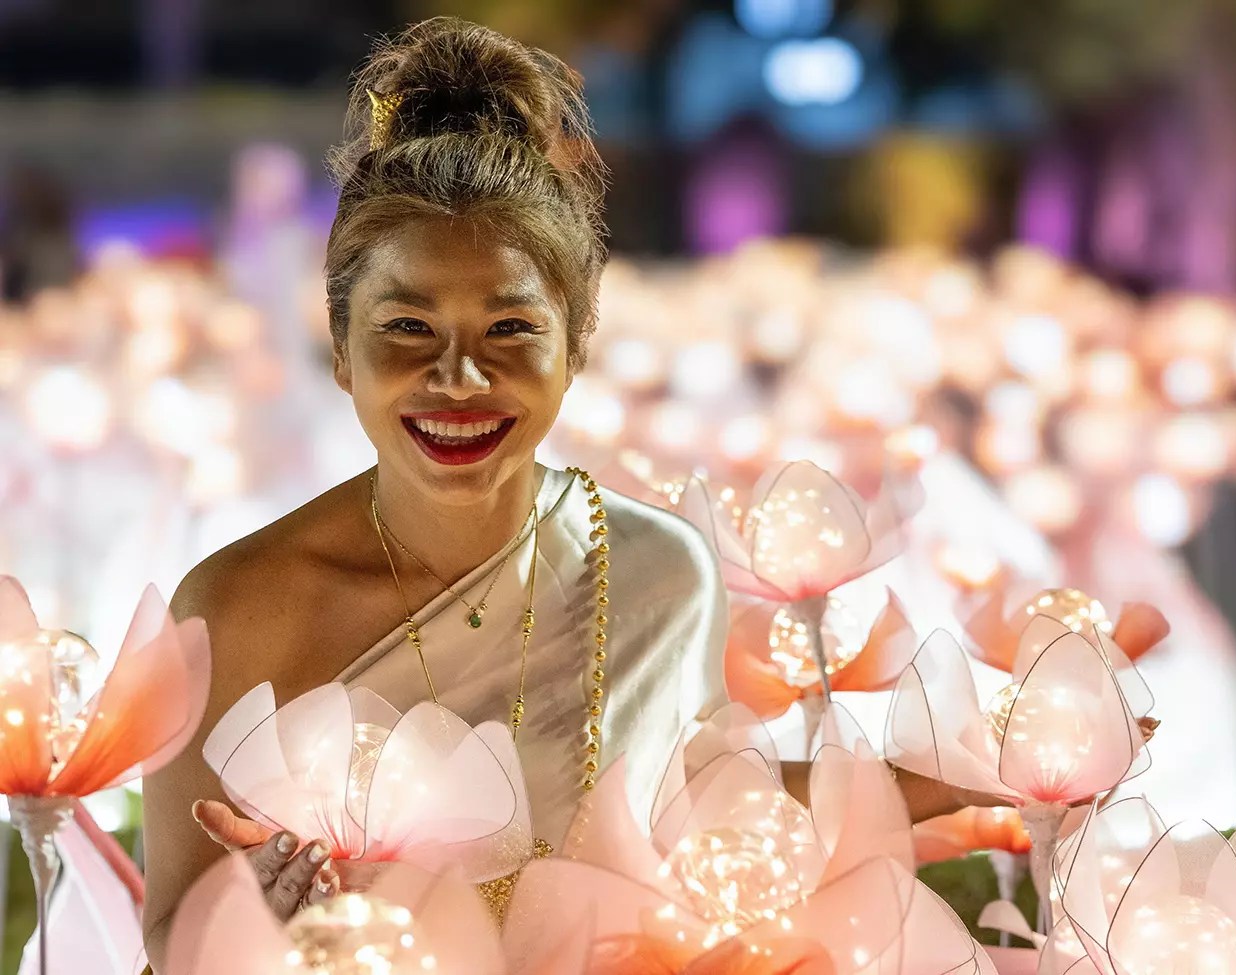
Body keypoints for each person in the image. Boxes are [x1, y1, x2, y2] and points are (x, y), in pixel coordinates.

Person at [139, 18, 1154, 972]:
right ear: (339, 349)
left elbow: (699, 810)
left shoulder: (656, 572)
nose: (458, 378)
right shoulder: (237, 610)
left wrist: (976, 766)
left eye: (509, 330)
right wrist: (259, 922)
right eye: (406, 328)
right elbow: (172, 938)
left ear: (576, 342)